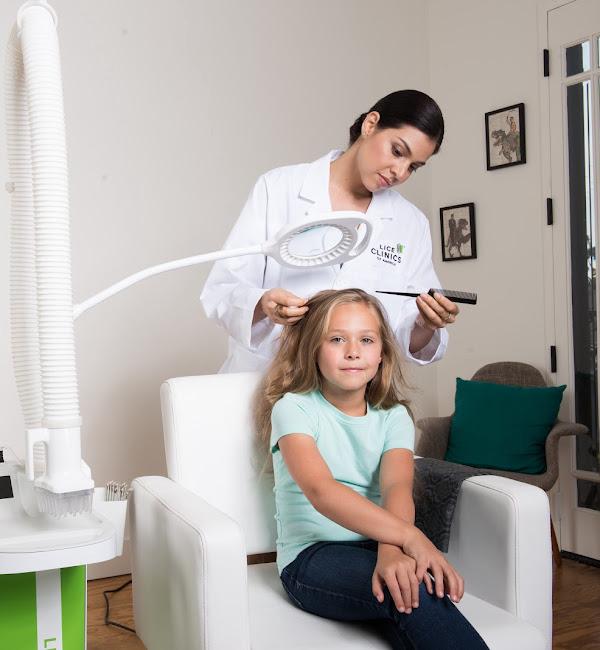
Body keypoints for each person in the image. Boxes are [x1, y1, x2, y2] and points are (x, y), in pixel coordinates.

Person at [254, 288, 488, 649]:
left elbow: (397, 488)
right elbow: (322, 491)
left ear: (382, 354)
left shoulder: (394, 416)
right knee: (411, 593)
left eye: (366, 340)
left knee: (414, 593)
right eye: (336, 339)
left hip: (378, 542)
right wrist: (410, 537)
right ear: (313, 348)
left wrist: (391, 549)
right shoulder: (294, 408)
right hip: (311, 557)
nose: (353, 351)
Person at [201, 90, 459, 373]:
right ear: (370, 124)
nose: (399, 171)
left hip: (350, 389)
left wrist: (425, 324)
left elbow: (404, 335)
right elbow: (223, 290)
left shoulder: (410, 223)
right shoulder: (279, 188)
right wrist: (263, 304)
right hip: (267, 378)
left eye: (413, 167)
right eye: (397, 151)